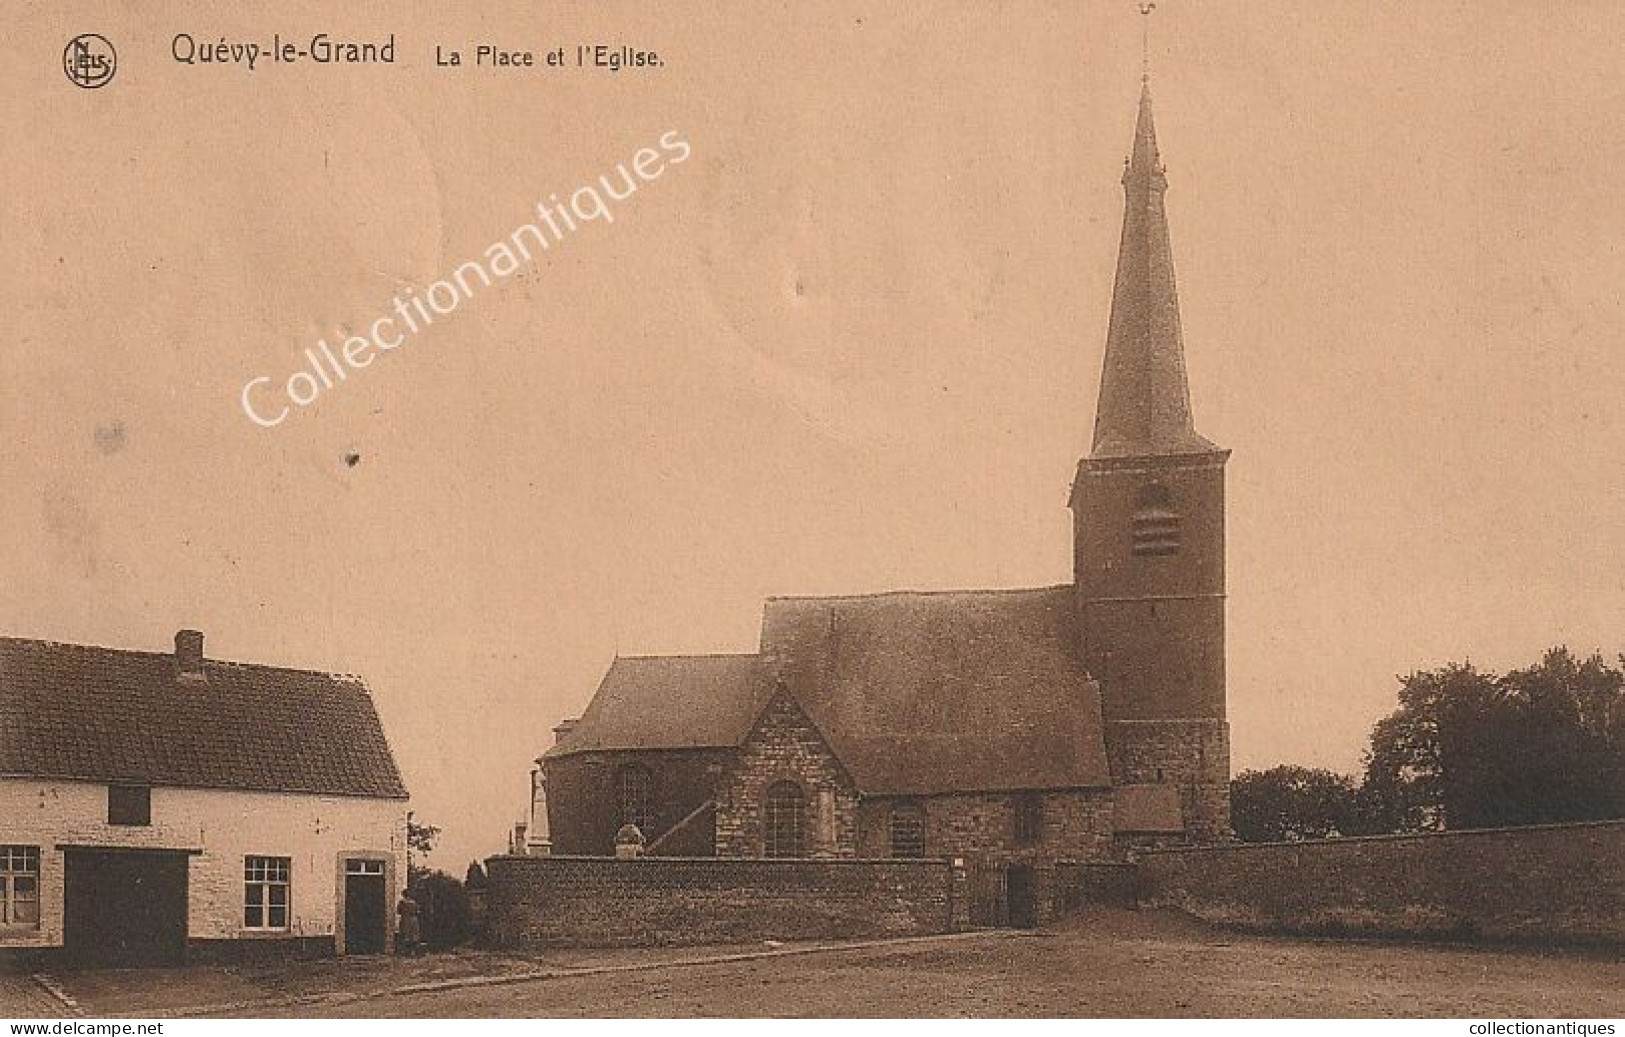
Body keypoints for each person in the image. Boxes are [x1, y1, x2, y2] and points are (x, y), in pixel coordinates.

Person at [396, 890, 421, 955]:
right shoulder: (414, 902)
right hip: (413, 919)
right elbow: (417, 911)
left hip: (405, 919)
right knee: (413, 935)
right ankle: (413, 951)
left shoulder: (402, 902)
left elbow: (398, 911)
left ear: (403, 895)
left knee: (405, 934)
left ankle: (405, 951)